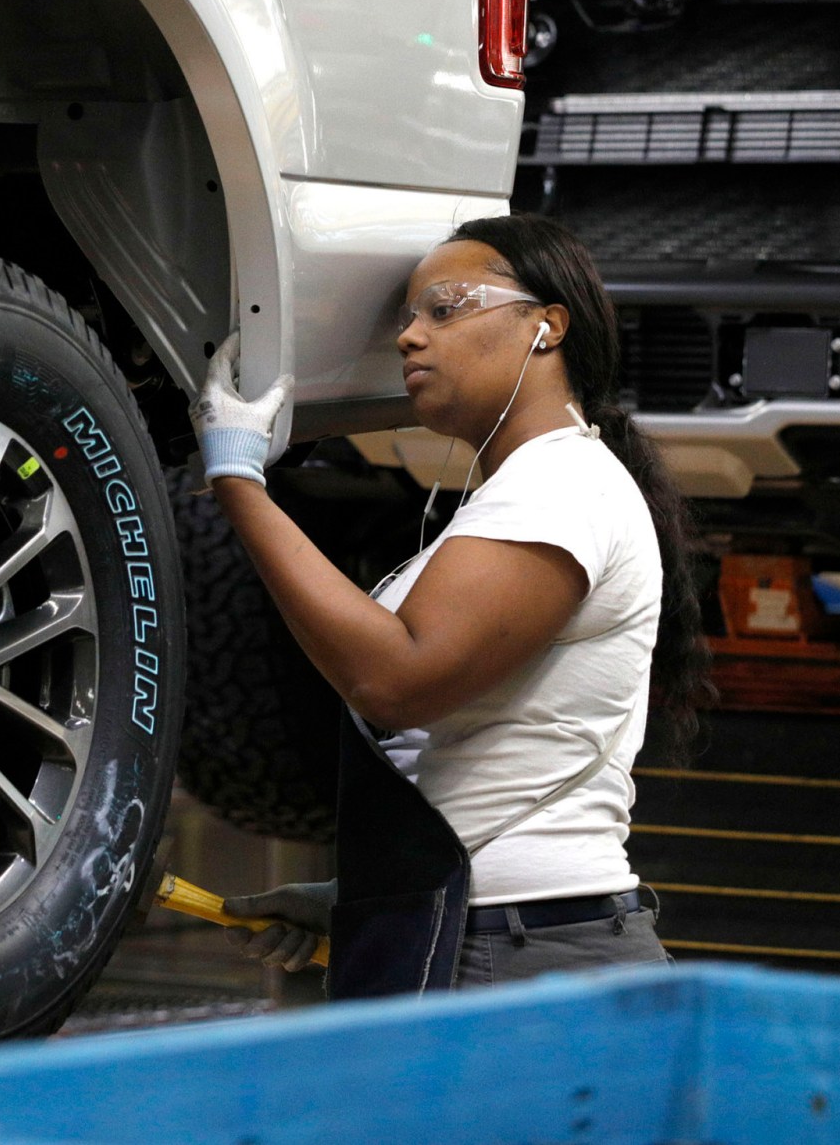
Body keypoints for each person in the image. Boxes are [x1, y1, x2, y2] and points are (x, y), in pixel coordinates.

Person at [190, 213, 711, 992]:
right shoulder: (528, 491)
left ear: (547, 326)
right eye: (406, 317)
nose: (410, 337)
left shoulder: (562, 486)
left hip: (522, 946)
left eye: (445, 308)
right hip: (493, 929)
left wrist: (238, 480)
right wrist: (367, 898)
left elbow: (398, 679)